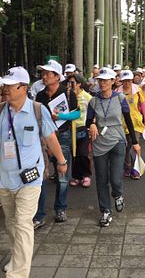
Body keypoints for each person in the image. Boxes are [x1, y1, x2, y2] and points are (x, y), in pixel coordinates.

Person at [0, 67, 67, 278]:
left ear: (23, 88)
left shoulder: (38, 110)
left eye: (10, 86)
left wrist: (62, 161)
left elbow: (50, 138)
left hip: (29, 179)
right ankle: (16, 259)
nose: (5, 89)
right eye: (4, 85)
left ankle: (18, 274)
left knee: (22, 224)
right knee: (11, 225)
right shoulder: (1, 111)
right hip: (4, 180)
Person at [86, 67, 138, 227]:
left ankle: (118, 194)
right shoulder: (93, 101)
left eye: (105, 80)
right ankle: (105, 211)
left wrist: (135, 142)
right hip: (99, 143)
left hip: (118, 141)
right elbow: (88, 121)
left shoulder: (120, 98)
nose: (102, 83)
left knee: (115, 178)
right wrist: (91, 125)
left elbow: (128, 120)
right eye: (100, 80)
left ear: (113, 81)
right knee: (101, 179)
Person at [34, 59, 79, 225]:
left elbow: (77, 114)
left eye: (48, 74)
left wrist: (61, 116)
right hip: (43, 138)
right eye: (43, 73)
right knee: (41, 175)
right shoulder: (40, 95)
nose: (44, 76)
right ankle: (39, 214)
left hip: (63, 136)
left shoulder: (67, 93)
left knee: (62, 175)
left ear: (57, 77)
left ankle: (60, 208)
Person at [119, 70, 145, 179]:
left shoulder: (138, 90)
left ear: (132, 80)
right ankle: (127, 166)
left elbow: (143, 105)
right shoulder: (117, 92)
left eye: (129, 80)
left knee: (135, 145)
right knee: (125, 147)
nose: (127, 83)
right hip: (122, 123)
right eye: (125, 81)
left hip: (135, 122)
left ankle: (136, 169)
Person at [66, 74, 92, 188]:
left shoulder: (86, 96)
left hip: (83, 128)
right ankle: (76, 176)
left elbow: (93, 112)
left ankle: (86, 175)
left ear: (79, 84)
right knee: (74, 153)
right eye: (69, 82)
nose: (70, 85)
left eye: (72, 82)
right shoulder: (67, 96)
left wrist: (91, 125)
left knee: (83, 152)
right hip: (71, 128)